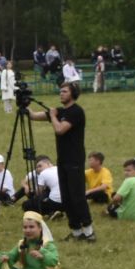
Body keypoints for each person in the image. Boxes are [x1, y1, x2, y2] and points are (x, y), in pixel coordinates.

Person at [45, 81, 93, 241]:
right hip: (63, 159)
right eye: (60, 91)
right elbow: (36, 116)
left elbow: (60, 129)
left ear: (72, 94)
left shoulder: (76, 111)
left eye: (64, 91)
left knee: (77, 196)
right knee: (66, 197)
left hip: (74, 159)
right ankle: (76, 231)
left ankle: (88, 231)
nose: (61, 93)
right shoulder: (60, 111)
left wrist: (52, 116)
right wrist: (26, 109)